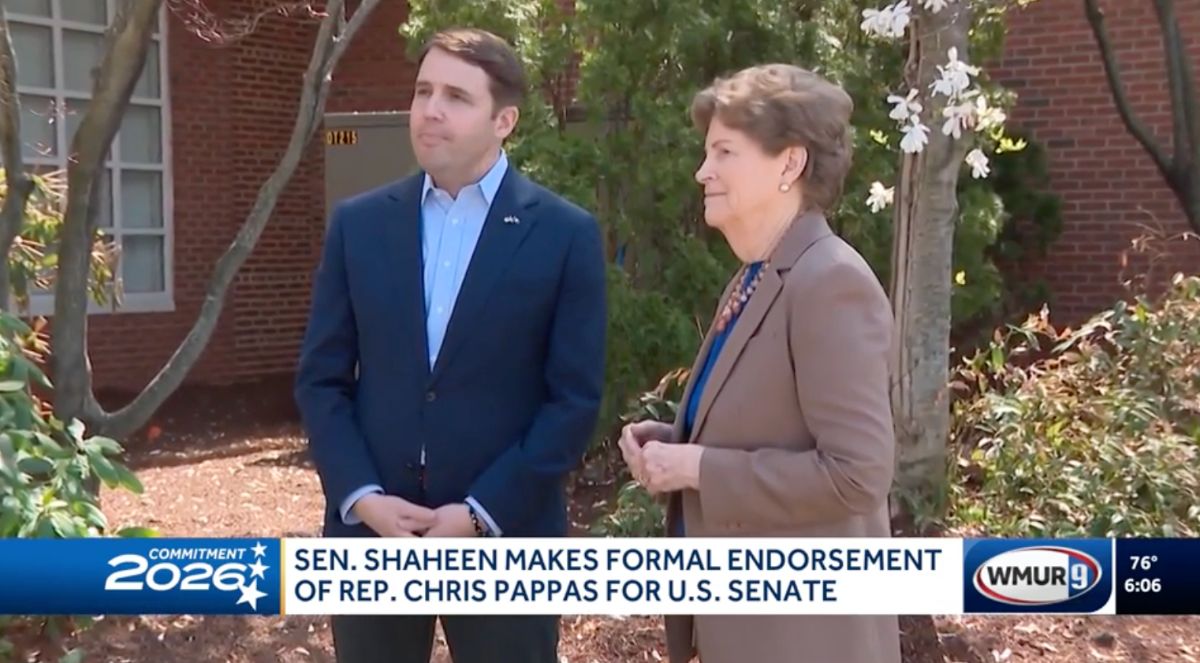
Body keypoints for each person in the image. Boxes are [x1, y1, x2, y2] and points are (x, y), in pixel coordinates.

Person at [294, 27, 607, 663]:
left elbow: (572, 402)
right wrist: (364, 499)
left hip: (506, 537)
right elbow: (322, 381)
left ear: (504, 121)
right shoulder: (359, 225)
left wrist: (477, 513)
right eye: (423, 91)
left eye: (456, 97)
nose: (430, 110)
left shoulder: (565, 235)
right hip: (374, 538)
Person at [618, 64, 901, 663]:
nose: (703, 171)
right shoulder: (756, 277)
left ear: (789, 164)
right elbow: (769, 433)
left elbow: (856, 475)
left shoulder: (830, 281)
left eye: (724, 152)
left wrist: (697, 467)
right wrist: (673, 445)